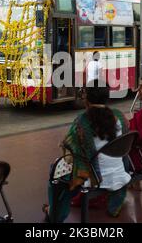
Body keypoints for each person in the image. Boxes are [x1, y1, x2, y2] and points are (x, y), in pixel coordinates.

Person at [43, 80, 131, 222]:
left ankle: (55, 214)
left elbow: (70, 149)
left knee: (55, 172)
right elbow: (125, 139)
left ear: (86, 99)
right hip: (118, 170)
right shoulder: (119, 116)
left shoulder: (82, 121)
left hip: (94, 176)